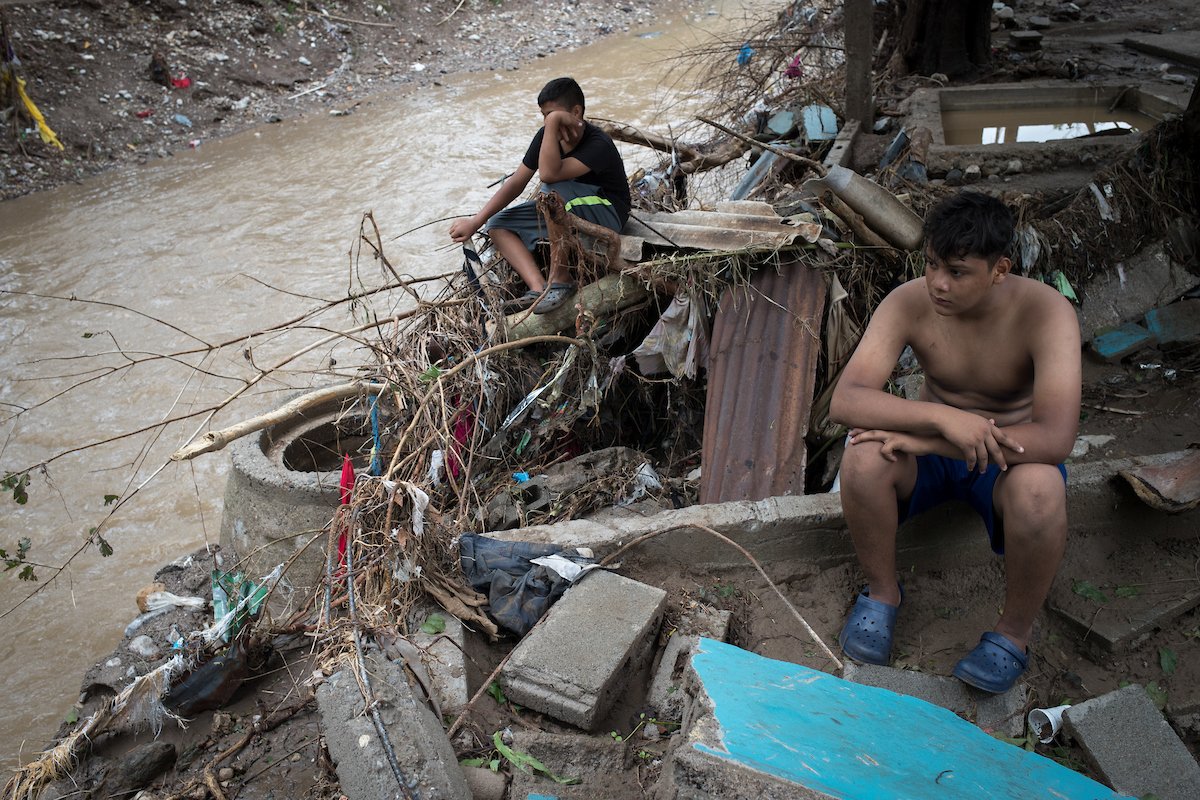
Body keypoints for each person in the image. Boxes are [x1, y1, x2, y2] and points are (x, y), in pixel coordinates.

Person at [829, 191, 1081, 694]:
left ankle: (1013, 634)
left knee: (1041, 491)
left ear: (1000, 269)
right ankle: (882, 595)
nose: (939, 284)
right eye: (931, 265)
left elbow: (1055, 437)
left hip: (1008, 457)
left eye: (959, 272)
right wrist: (940, 419)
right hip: (936, 447)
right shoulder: (909, 302)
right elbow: (847, 401)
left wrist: (935, 442)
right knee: (861, 458)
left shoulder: (1046, 313)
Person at [449, 77, 631, 315]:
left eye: (553, 115)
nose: (548, 121)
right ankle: (538, 286)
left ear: (576, 112)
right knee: (499, 225)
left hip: (608, 212)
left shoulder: (598, 143)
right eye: (544, 116)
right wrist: (476, 221)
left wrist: (555, 122)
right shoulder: (546, 137)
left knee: (552, 193)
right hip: (568, 208)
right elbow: (517, 182)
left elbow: (548, 174)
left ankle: (561, 278)